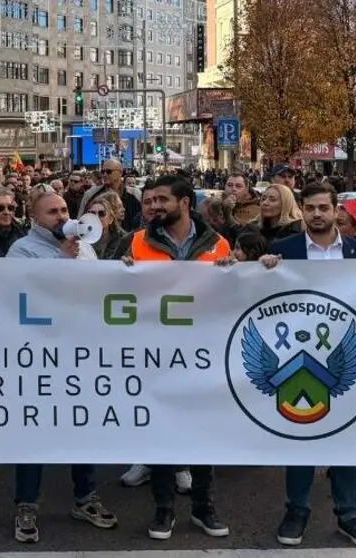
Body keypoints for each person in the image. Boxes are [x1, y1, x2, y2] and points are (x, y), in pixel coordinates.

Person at [251, 182, 356, 549]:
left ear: (337, 212)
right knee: (300, 436)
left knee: (347, 437)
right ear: (301, 210)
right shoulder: (282, 250)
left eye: (324, 207)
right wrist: (263, 269)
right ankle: (296, 511)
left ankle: (349, 515)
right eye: (310, 207)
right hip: (296, 359)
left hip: (344, 358)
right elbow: (260, 297)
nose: (317, 214)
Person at [124, 174, 231, 541]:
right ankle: (164, 509)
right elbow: (107, 289)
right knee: (162, 433)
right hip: (155, 354)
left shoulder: (218, 244)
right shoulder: (135, 242)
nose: (153, 206)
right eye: (150, 201)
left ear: (185, 203)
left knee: (204, 434)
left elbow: (231, 296)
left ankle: (204, 507)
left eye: (162, 200)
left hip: (204, 355)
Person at [5, 192, 115, 544]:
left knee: (81, 426)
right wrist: (60, 261)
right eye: (52, 212)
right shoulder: (21, 250)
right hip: (38, 354)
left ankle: (86, 498)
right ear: (34, 218)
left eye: (65, 210)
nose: (61, 216)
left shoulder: (85, 246)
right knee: (34, 433)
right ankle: (26, 505)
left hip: (80, 351)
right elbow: (21, 296)